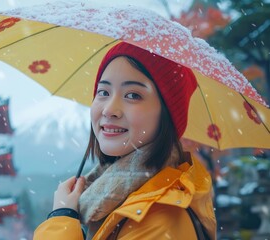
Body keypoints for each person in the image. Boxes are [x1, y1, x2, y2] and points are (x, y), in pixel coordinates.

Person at [33, 42, 216, 240]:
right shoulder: (111, 195)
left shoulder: (160, 220)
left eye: (133, 95)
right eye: (103, 92)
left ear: (167, 115)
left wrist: (61, 218)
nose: (109, 109)